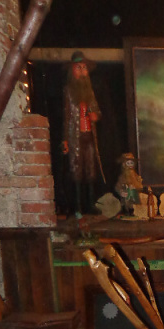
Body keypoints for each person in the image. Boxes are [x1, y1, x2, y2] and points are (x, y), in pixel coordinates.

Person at [62, 51, 103, 214]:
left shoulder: (90, 93)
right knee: (76, 170)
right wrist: (65, 139)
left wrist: (95, 116)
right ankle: (78, 206)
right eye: (78, 67)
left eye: (84, 68)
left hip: (89, 136)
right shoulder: (68, 91)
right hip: (76, 136)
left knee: (90, 169)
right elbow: (66, 116)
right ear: (72, 70)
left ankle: (90, 204)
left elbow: (97, 111)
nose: (82, 71)